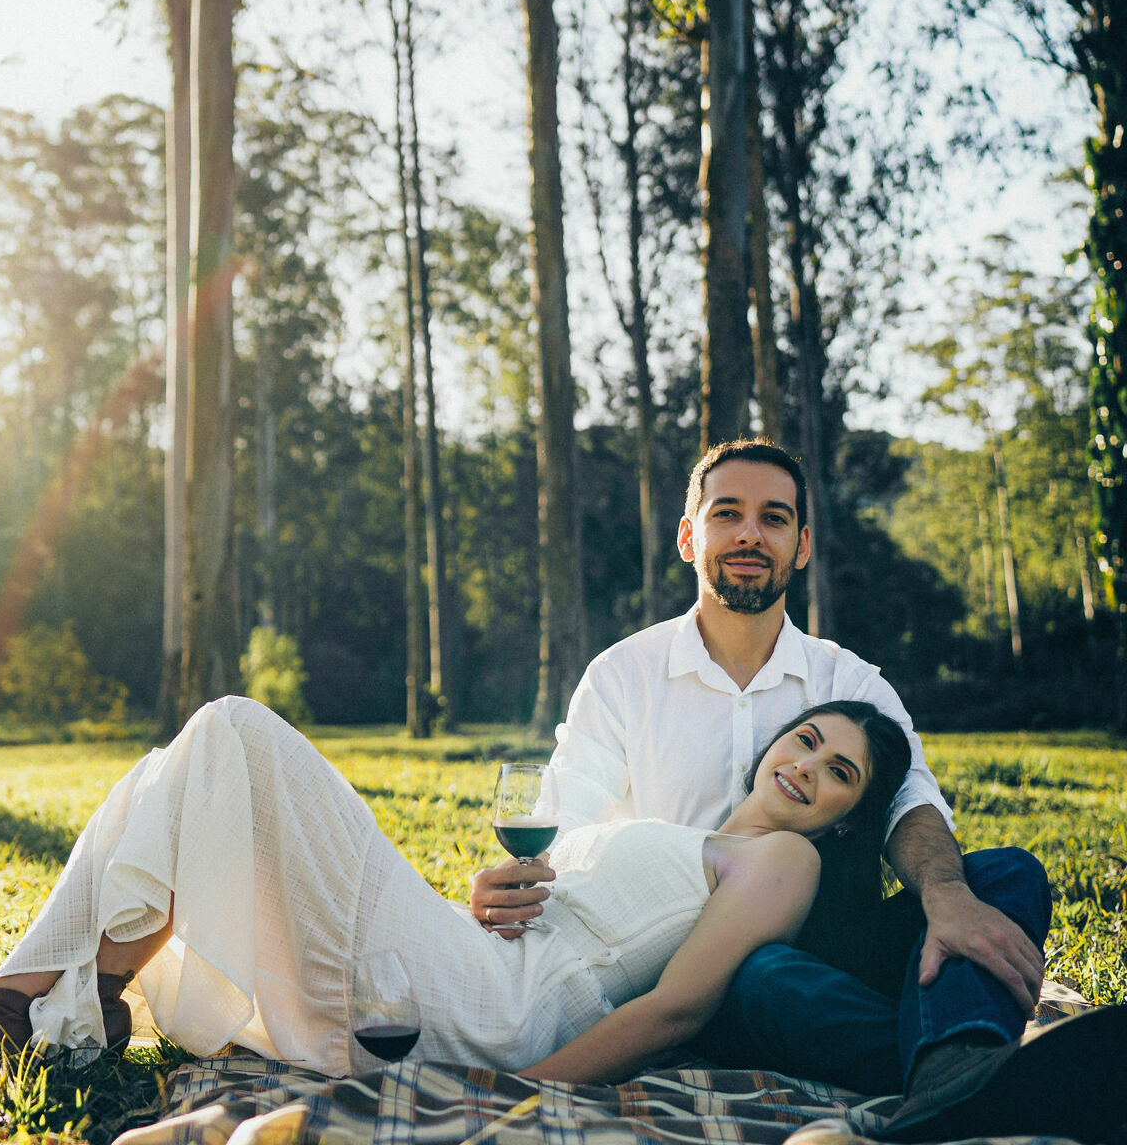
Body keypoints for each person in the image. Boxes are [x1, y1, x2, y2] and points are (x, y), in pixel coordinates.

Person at [469, 438, 1125, 1142]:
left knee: (1004, 872)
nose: (751, 533)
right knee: (767, 974)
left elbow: (913, 803)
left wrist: (948, 899)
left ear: (802, 545)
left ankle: (955, 1074)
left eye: (774, 517)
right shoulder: (625, 673)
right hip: (714, 970)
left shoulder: (849, 679)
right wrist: (517, 877)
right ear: (690, 536)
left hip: (839, 942)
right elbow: (569, 809)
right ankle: (971, 1072)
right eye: (729, 514)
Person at [0, 694, 909, 1091]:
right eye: (809, 738)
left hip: (506, 1008)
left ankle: (23, 1009)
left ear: (847, 816)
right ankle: (26, 1006)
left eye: (839, 772)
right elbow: (580, 906)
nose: (809, 766)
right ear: (781, 736)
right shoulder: (695, 832)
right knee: (171, 773)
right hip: (474, 950)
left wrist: (526, 1089)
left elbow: (677, 999)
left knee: (234, 732)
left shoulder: (789, 862)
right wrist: (498, 891)